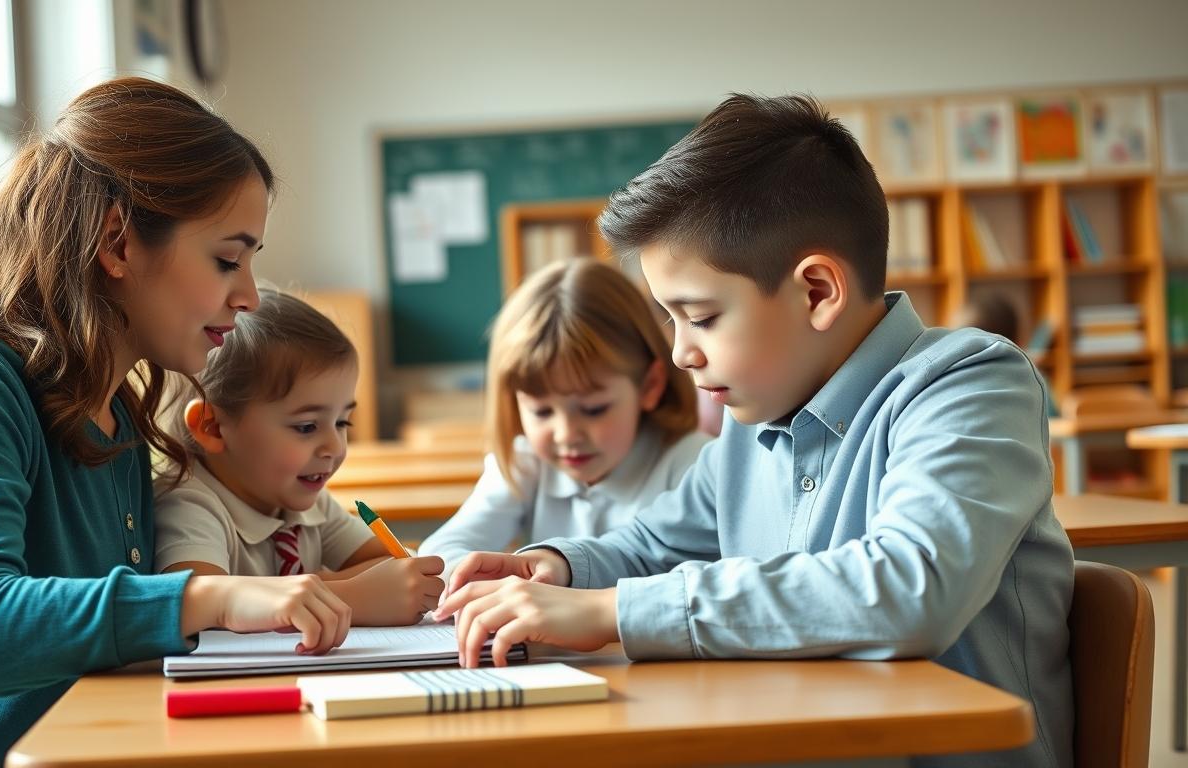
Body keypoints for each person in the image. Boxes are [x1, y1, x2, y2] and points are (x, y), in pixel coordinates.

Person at [436, 94, 1073, 768]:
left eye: (701, 318)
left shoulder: (969, 384)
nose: (681, 353)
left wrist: (609, 612)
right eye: (670, 320)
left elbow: (910, 588)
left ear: (817, 292)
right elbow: (659, 543)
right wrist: (560, 567)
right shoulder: (755, 420)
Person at [0, 78, 351, 767]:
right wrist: (210, 597)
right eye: (227, 259)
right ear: (118, 242)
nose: (249, 295)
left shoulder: (119, 415)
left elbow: (106, 644)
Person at [155, 285, 444, 625]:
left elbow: (391, 566)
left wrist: (387, 581)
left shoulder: (309, 505)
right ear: (213, 427)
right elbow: (200, 604)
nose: (335, 447)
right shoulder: (188, 506)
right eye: (307, 427)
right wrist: (351, 594)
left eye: (342, 421)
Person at [419, 259, 710, 575]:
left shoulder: (694, 465)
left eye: (594, 409)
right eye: (542, 411)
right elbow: (438, 554)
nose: (567, 434)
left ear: (650, 386)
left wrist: (536, 580)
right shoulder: (526, 462)